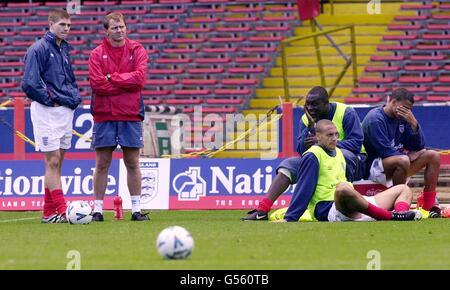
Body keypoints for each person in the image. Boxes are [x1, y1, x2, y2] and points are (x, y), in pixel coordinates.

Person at [242, 86, 366, 221]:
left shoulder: (346, 112)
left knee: (344, 154)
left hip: (353, 161)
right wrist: (311, 128)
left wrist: (325, 144)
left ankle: (343, 205)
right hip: (320, 160)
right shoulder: (306, 120)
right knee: (288, 164)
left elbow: (356, 144)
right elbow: (301, 150)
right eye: (308, 104)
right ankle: (262, 210)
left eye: (315, 104)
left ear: (326, 103)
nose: (311, 108)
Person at [272, 120, 421, 223]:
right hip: (328, 209)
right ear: (318, 137)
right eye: (330, 135)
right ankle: (390, 216)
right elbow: (304, 188)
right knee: (343, 188)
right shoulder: (313, 155)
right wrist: (290, 218)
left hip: (353, 207)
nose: (335, 138)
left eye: (336, 134)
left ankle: (399, 214)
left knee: (403, 189)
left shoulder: (339, 152)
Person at [22, 8, 81, 223]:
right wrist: (51, 100)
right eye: (62, 25)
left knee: (59, 162)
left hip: (65, 110)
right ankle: (63, 211)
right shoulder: (38, 49)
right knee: (53, 162)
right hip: (47, 112)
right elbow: (29, 83)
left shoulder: (63, 49)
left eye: (68, 25)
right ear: (51, 24)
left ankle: (48, 212)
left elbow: (68, 80)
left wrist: (73, 97)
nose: (66, 29)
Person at [88, 12, 149, 221]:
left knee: (132, 162)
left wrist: (112, 78)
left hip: (131, 114)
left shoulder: (137, 49)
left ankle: (136, 210)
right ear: (107, 31)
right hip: (104, 115)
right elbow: (97, 85)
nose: (119, 30)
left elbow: (139, 80)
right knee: (102, 163)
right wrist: (125, 86)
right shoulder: (96, 54)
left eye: (121, 26)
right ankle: (97, 210)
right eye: (115, 28)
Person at [361, 88, 441, 217]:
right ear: (392, 101)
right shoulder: (375, 119)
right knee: (402, 160)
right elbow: (384, 151)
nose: (406, 111)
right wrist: (408, 156)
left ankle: (428, 205)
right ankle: (398, 205)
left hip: (399, 164)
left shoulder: (403, 118)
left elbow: (419, 146)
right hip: (374, 167)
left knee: (433, 156)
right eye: (404, 107)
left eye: (409, 109)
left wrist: (414, 124)